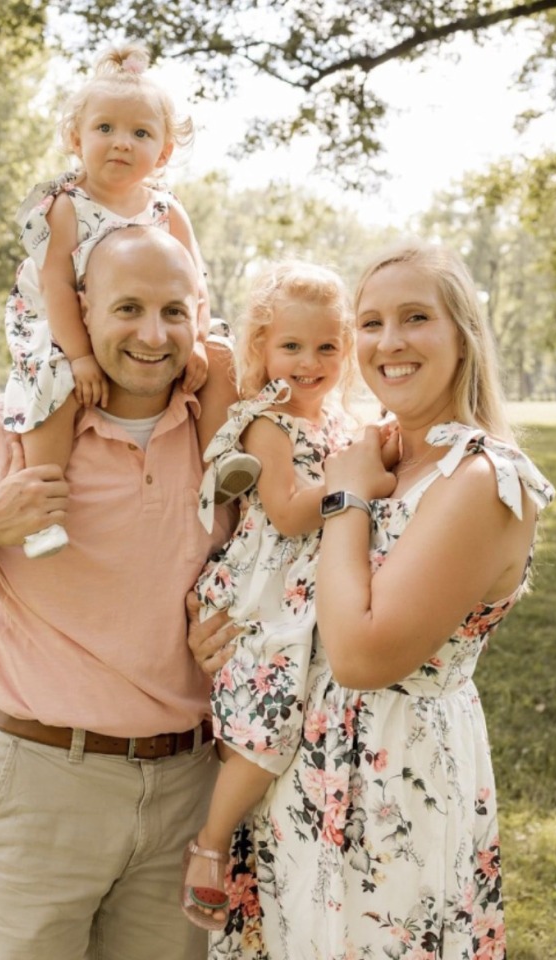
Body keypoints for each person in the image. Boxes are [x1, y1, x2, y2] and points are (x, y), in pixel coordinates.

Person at [0, 226, 236, 960]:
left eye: (174, 310)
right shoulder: (14, 426)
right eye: (127, 307)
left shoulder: (226, 440)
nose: (152, 333)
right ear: (82, 311)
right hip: (42, 785)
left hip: (188, 793)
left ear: (200, 314)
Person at [191, 239, 556, 958]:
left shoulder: (481, 479)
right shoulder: (381, 450)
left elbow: (359, 655)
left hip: (392, 793)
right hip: (305, 770)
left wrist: (349, 496)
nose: (389, 342)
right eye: (373, 322)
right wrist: (228, 623)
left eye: (416, 318)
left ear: (463, 335)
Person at [3, 41, 255, 558]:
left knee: (224, 355)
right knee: (54, 380)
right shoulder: (66, 208)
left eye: (140, 133)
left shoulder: (168, 211)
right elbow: (55, 289)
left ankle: (220, 462)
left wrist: (202, 341)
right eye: (105, 129)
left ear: (162, 152)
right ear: (77, 138)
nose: (121, 143)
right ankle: (40, 504)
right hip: (62, 320)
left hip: (148, 320)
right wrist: (79, 356)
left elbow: (197, 283)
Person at [182, 262, 370, 930]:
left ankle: (251, 865)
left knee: (301, 728)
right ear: (261, 349)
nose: (310, 361)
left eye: (326, 347)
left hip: (311, 605)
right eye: (291, 346)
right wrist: (354, 478)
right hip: (265, 602)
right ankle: (208, 845)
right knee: (267, 734)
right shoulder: (268, 421)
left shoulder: (346, 426)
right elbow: (290, 513)